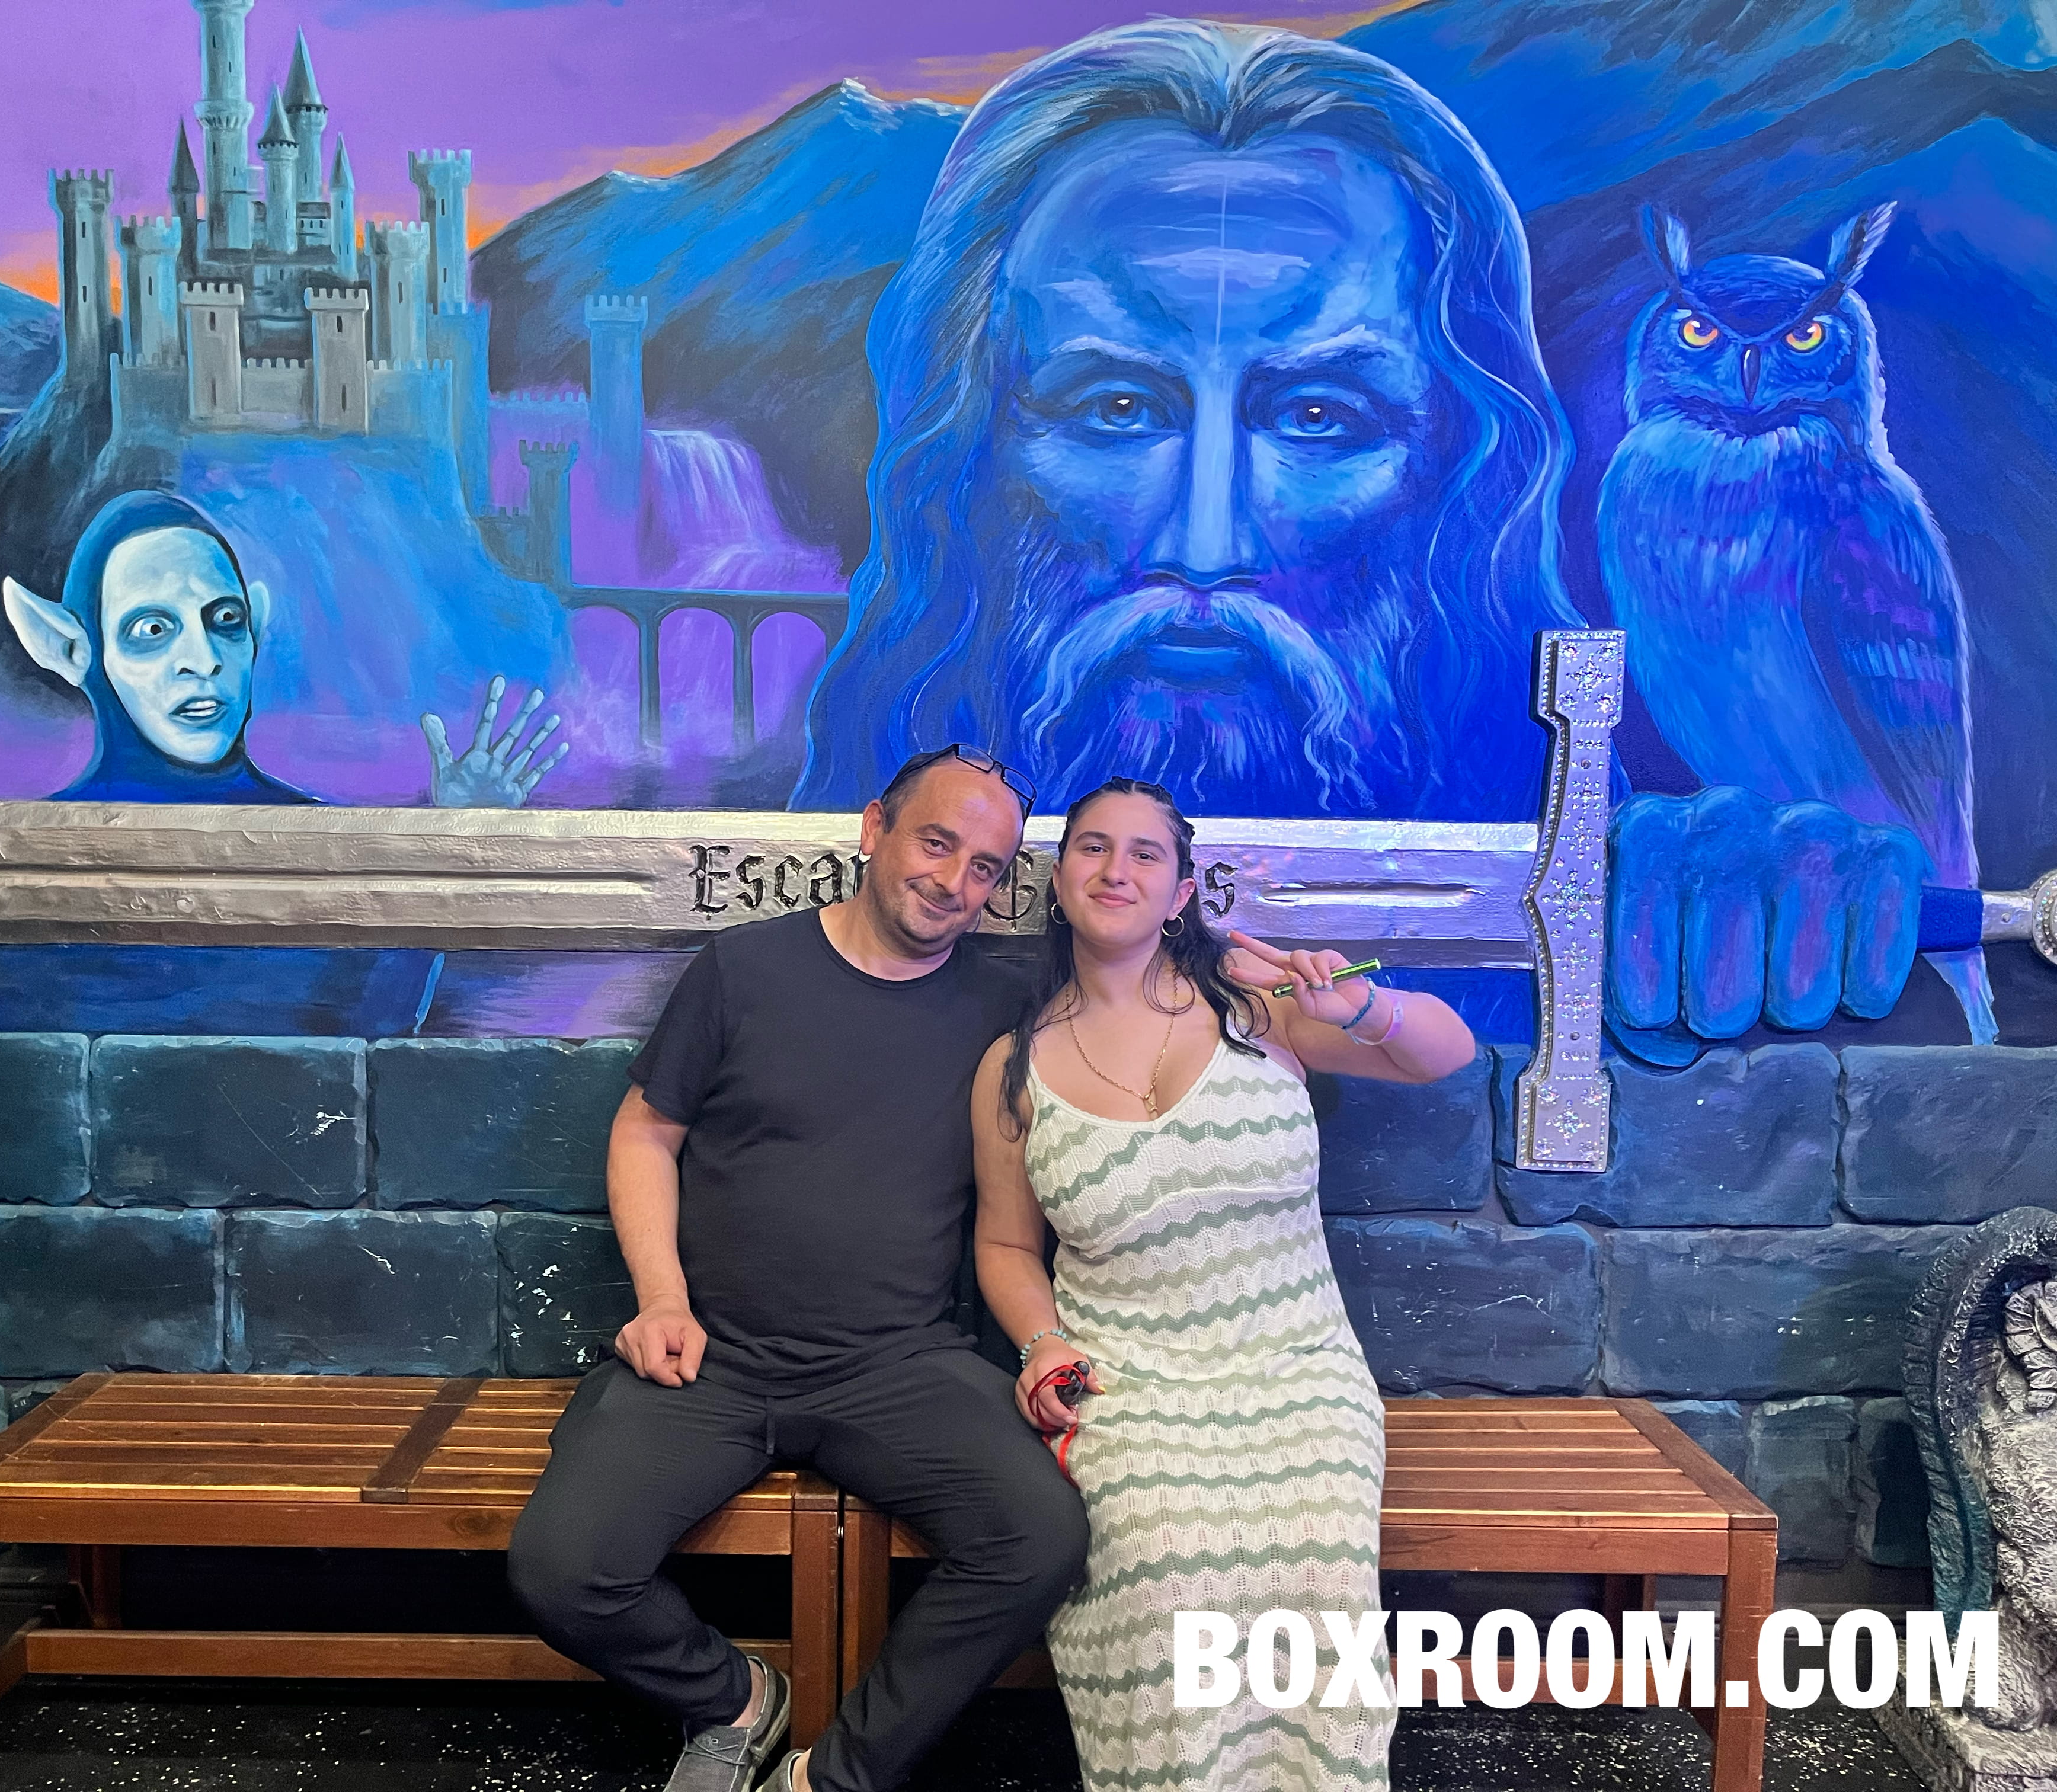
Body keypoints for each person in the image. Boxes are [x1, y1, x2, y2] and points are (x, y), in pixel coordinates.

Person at [794, 17, 1938, 1064]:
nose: (1205, 544)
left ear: (1458, 471)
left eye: (1318, 417)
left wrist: (1738, 907)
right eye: (1117, 408)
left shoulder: (1577, 865)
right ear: (971, 457)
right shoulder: (809, 940)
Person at [507, 745, 1089, 1792]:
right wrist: (661, 1300)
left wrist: (1259, 979)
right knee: (562, 1569)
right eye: (937, 843)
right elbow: (645, 1133)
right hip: (713, 1359)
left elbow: (1149, 999)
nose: (956, 883)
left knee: (1041, 1537)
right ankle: (732, 1701)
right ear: (874, 829)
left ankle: (833, 1776)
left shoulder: (1007, 1006)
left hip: (899, 1365)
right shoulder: (744, 971)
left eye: (987, 868)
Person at [972, 776, 1477, 1791]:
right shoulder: (1012, 1068)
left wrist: (1359, 1005)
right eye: (1093, 848)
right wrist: (1043, 1342)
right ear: (1057, 879)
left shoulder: (1261, 1011)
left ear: (1181, 892)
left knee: (1315, 1559)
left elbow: (1447, 1054)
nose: (1116, 870)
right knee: (1161, 1561)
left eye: (1145, 853)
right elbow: (1007, 1247)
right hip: (1132, 1384)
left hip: (1298, 1373)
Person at [0, 488, 567, 824]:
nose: (202, 659)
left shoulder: (331, 844)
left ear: (255, 633)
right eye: (152, 631)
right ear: (71, 651)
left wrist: (454, 842)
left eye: (224, 622)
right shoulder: (26, 855)